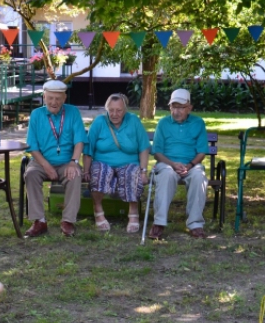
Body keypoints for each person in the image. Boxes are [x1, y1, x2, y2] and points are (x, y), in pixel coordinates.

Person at [23, 80, 87, 237]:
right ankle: (39, 221)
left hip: (67, 162)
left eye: (58, 98)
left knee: (75, 175)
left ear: (64, 98)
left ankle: (68, 220)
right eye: (50, 98)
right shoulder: (36, 115)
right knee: (30, 174)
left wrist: (74, 162)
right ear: (44, 97)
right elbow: (32, 146)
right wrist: (46, 166)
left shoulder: (73, 112)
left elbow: (80, 140)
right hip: (41, 161)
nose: (54, 102)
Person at [83, 93, 150, 233]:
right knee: (99, 173)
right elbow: (88, 149)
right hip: (102, 161)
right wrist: (86, 171)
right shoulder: (99, 122)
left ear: (125, 110)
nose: (114, 114)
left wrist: (144, 171)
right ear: (106, 109)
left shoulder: (134, 121)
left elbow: (144, 147)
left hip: (129, 161)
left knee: (132, 173)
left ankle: (133, 213)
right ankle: (98, 209)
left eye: (118, 110)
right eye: (111, 110)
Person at [148, 88, 209, 239]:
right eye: (173, 107)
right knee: (166, 174)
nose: (176, 111)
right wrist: (173, 164)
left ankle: (195, 224)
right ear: (170, 107)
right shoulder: (163, 123)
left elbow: (201, 151)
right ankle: (159, 223)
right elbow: (157, 152)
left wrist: (189, 165)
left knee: (199, 177)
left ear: (189, 108)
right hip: (167, 163)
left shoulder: (198, 123)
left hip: (191, 164)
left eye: (181, 107)